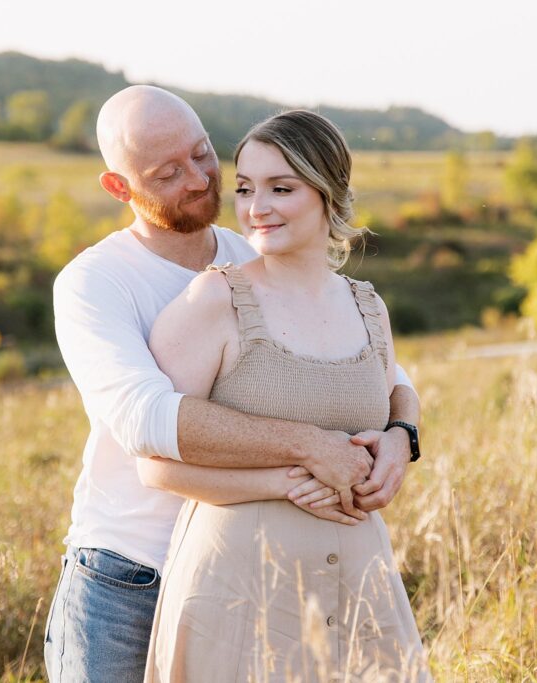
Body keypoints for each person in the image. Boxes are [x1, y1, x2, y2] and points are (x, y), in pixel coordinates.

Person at [44, 86, 422, 683]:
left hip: (253, 566)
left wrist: (403, 435)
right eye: (168, 172)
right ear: (120, 188)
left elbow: (384, 374)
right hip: (129, 573)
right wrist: (307, 448)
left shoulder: (256, 252)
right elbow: (149, 421)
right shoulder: (95, 283)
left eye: (202, 155)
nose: (198, 180)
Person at [141, 110, 430, 681]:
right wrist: (280, 484)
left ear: (328, 192)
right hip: (240, 589)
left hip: (359, 583)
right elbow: (154, 466)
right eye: (246, 189)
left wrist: (403, 440)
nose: (256, 207)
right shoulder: (215, 301)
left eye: (281, 188)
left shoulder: (370, 307)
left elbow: (395, 397)